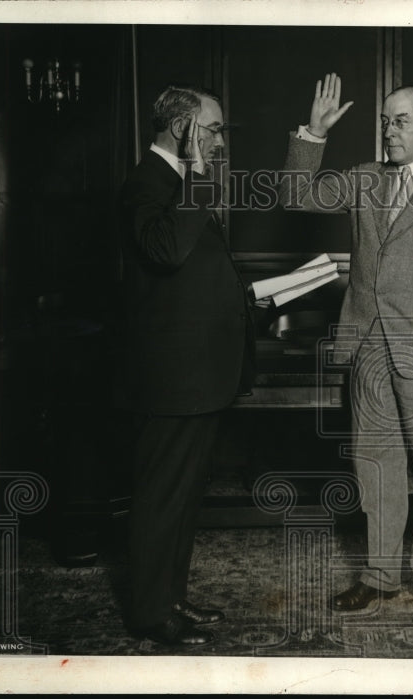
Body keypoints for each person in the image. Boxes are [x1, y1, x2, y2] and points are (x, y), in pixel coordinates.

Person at [279, 74, 413, 626]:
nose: (388, 131)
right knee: (375, 470)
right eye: (383, 121)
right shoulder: (364, 179)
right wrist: (314, 133)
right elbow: (296, 196)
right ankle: (379, 576)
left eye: (399, 121)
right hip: (369, 351)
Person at [118, 84, 253, 646]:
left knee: (183, 497)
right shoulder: (147, 182)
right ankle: (151, 614)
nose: (222, 141)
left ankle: (171, 598)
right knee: (161, 498)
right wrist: (199, 175)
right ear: (184, 130)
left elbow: (192, 272)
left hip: (198, 374)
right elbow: (167, 251)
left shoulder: (175, 182)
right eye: (215, 129)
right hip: (174, 378)